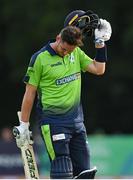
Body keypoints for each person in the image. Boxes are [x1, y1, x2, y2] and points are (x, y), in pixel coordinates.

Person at [14, 10, 112, 179]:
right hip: (53, 123)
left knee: (84, 172)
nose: (66, 53)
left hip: (77, 123)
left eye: (70, 50)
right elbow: (30, 93)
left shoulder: (75, 53)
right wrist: (24, 124)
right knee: (62, 169)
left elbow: (99, 69)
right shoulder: (40, 59)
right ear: (58, 38)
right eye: (64, 49)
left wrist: (100, 43)